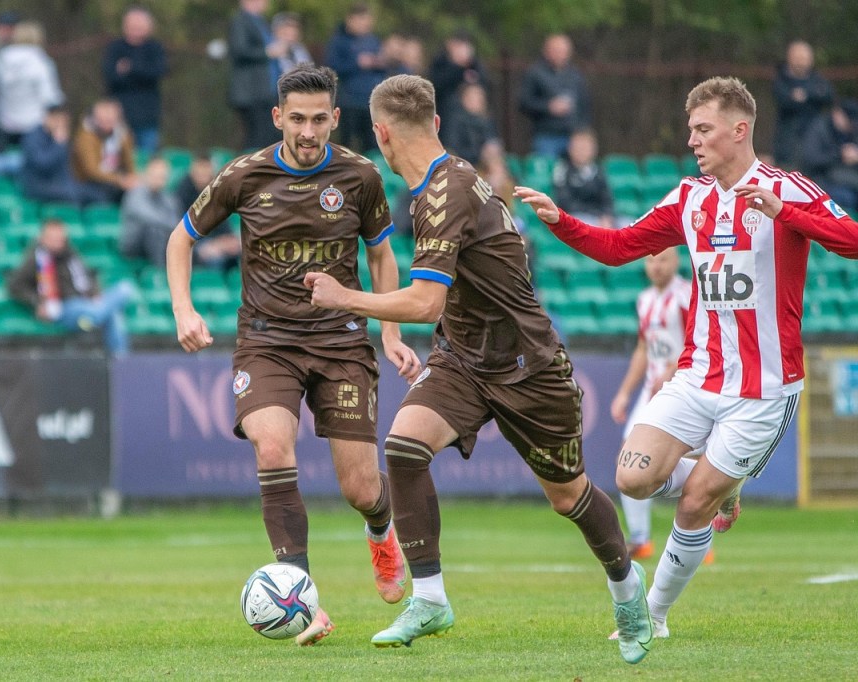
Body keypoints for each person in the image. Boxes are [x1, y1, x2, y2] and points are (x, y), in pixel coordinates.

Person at [305, 73, 652, 663]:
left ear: (382, 137)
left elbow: (424, 302)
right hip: (465, 357)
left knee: (568, 497)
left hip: (530, 366)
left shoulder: (445, 196)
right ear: (435, 124)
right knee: (405, 447)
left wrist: (347, 299)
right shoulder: (446, 182)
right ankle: (431, 597)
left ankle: (626, 586)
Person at [516, 76, 858, 650]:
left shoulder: (787, 189)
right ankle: (721, 486)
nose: (693, 140)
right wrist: (560, 221)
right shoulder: (688, 197)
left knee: (696, 498)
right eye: (691, 129)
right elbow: (621, 246)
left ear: (739, 129)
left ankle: (652, 614)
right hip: (698, 374)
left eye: (703, 128)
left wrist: (787, 214)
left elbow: (851, 238)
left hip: (765, 386)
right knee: (632, 476)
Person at [167, 65, 420, 646]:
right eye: (297, 119)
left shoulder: (359, 175)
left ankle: (381, 532)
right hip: (266, 341)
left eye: (319, 119)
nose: (309, 131)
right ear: (279, 117)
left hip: (341, 342)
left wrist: (388, 332)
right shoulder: (245, 175)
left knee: (360, 488)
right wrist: (184, 309)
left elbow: (382, 256)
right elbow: (180, 238)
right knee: (274, 446)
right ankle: (301, 599)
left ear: (335, 117)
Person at [609, 248, 692, 559]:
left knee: (696, 462)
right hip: (651, 392)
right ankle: (641, 538)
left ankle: (699, 538)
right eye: (650, 260)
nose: (656, 266)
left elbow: (698, 342)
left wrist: (671, 370)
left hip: (685, 388)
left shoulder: (686, 296)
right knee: (628, 459)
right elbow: (643, 349)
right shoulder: (644, 300)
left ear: (677, 261)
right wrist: (624, 393)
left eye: (663, 259)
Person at [8, 219, 133, 356]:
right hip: (63, 308)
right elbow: (15, 286)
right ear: (44, 238)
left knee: (118, 303)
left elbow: (88, 276)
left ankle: (120, 361)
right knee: (110, 306)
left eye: (60, 238)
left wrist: (95, 293)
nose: (58, 242)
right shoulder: (37, 258)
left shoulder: (71, 254)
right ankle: (120, 358)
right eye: (53, 238)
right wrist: (37, 302)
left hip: (85, 303)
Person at [103, 6, 169, 154]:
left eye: (139, 26)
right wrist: (141, 73)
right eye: (132, 26)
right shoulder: (115, 48)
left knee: (147, 158)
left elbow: (158, 72)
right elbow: (111, 76)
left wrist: (130, 69)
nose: (135, 30)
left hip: (148, 117)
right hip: (118, 117)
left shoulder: (155, 48)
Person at [518, 34, 591, 159]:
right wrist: (548, 107)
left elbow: (584, 104)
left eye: (564, 51)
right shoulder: (535, 73)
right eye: (556, 50)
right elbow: (523, 102)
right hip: (546, 135)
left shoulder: (575, 75)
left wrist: (582, 130)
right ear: (546, 51)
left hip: (572, 135)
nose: (561, 54)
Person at [324, 4, 385, 153]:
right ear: (350, 20)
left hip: (370, 102)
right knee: (347, 144)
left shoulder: (372, 40)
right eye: (361, 20)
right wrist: (357, 63)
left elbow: (382, 68)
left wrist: (378, 62)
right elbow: (331, 69)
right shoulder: (338, 41)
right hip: (348, 101)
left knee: (372, 143)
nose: (364, 24)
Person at [0, 21, 64, 142]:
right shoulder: (40, 61)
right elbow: (50, 96)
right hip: (34, 126)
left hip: (4, 123)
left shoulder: (1, 59)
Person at [227, 0, 280, 151]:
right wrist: (267, 52)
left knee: (268, 136)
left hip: (265, 92)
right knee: (254, 138)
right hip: (250, 92)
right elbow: (238, 51)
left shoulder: (262, 22)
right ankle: (250, 171)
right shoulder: (240, 21)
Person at [773, 40, 834, 170]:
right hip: (788, 140)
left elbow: (827, 96)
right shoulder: (781, 80)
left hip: (813, 138)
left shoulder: (817, 79)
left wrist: (805, 95)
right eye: (798, 57)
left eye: (804, 58)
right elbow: (785, 102)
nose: (801, 62)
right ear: (790, 58)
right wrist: (812, 97)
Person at [173, 154, 240, 271]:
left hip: (217, 243)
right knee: (213, 257)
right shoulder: (182, 194)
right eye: (200, 171)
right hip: (194, 244)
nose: (203, 176)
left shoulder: (216, 192)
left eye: (206, 171)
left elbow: (224, 224)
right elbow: (181, 230)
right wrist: (214, 244)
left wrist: (227, 240)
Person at [20, 105, 93, 205]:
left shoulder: (62, 138)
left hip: (60, 183)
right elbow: (42, 164)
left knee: (95, 194)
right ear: (48, 118)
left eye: (64, 121)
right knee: (72, 195)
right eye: (58, 120)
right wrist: (58, 145)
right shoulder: (33, 137)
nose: (61, 124)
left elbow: (68, 168)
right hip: (38, 185)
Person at [71, 99, 138, 205]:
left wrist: (131, 178)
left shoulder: (122, 134)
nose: (107, 124)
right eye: (103, 120)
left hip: (115, 182)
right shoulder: (85, 137)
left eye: (111, 120)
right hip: (90, 184)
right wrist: (119, 180)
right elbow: (91, 170)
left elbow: (130, 161)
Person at [799, 100, 858, 214]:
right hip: (822, 180)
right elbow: (811, 160)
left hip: (849, 179)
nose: (850, 125)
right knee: (845, 198)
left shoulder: (853, 130)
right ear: (837, 114)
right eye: (848, 121)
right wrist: (840, 154)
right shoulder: (818, 129)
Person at [119, 157, 180, 267]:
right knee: (154, 229)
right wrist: (171, 226)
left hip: (159, 239)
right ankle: (160, 270)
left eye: (162, 176)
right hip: (133, 244)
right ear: (146, 173)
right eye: (155, 175)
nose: (159, 180)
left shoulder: (168, 198)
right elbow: (149, 217)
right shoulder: (135, 194)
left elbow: (175, 221)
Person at [552, 128, 616, 227]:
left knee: (628, 225)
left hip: (599, 217)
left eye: (586, 147)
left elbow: (607, 199)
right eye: (579, 147)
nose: (582, 151)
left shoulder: (598, 171)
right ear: (570, 148)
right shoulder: (562, 170)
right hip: (575, 217)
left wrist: (606, 216)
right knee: (589, 224)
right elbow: (565, 203)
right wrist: (596, 215)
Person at [429, 30, 490, 128]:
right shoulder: (441, 63)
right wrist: (458, 67)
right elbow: (437, 86)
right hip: (447, 117)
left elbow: (484, 84)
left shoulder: (474, 65)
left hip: (472, 119)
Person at [441, 82, 501, 168]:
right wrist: (479, 154)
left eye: (480, 97)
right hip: (463, 164)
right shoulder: (455, 121)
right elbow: (453, 148)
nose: (479, 100)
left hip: (487, 163)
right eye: (474, 97)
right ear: (464, 99)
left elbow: (492, 139)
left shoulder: (486, 120)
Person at [270, 12, 312, 79]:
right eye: (285, 34)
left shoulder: (300, 50)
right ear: (276, 32)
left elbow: (309, 72)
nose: (290, 38)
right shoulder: (270, 50)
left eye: (293, 35)